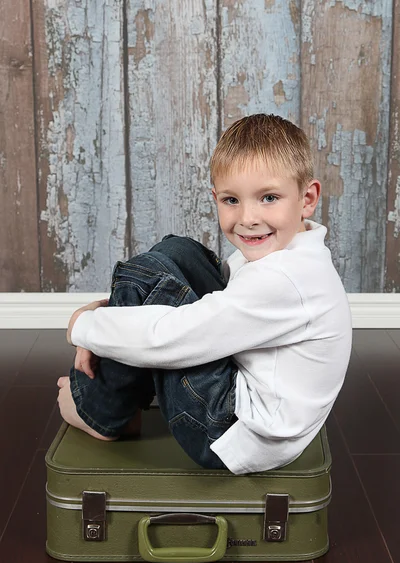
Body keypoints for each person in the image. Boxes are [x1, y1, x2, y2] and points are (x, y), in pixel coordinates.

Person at [57, 114, 352, 475]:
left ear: (307, 199)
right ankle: (122, 403)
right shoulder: (292, 252)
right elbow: (216, 309)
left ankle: (98, 410)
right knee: (178, 251)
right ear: (215, 198)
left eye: (269, 198)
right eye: (231, 200)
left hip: (229, 435)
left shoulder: (286, 279)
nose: (247, 218)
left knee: (148, 279)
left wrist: (83, 326)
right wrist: (105, 310)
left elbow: (171, 338)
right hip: (247, 401)